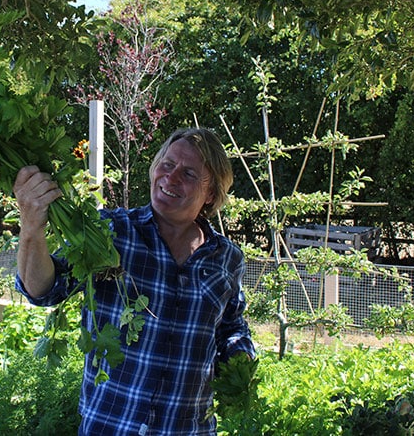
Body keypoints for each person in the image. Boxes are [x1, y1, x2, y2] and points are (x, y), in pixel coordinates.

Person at [14, 127, 256, 435]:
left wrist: (241, 358)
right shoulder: (111, 233)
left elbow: (231, 325)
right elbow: (42, 290)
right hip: (112, 426)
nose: (171, 177)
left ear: (211, 194)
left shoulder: (226, 257)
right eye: (167, 165)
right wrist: (31, 227)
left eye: (189, 173)